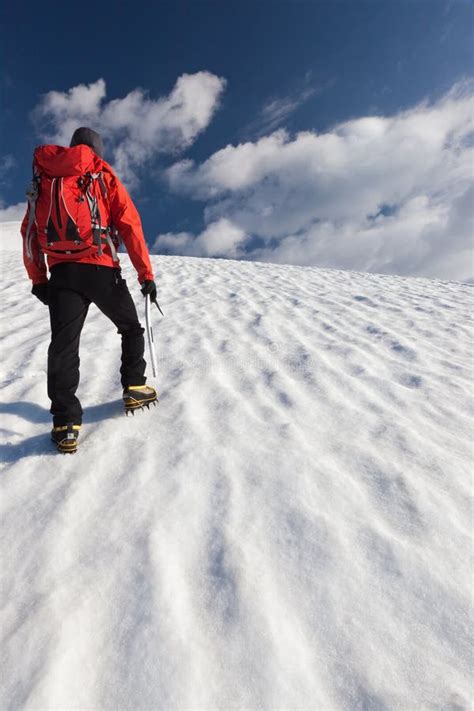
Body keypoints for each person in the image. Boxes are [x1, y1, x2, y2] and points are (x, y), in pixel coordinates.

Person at [21, 127, 159, 453]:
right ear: (96, 148)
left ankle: (65, 423)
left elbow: (29, 232)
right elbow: (129, 224)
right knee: (130, 328)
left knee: (64, 346)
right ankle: (134, 386)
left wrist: (38, 279)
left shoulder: (46, 178)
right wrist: (145, 275)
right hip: (101, 268)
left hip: (62, 273)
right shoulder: (100, 172)